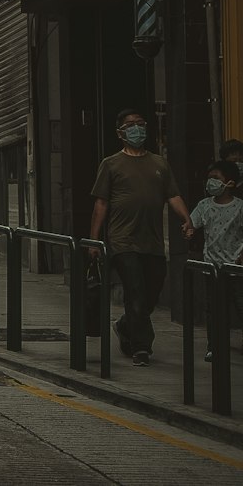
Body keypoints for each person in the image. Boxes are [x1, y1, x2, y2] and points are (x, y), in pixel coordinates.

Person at [89, 106, 194, 365]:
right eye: (131, 124)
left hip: (153, 242)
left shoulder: (159, 163)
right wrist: (93, 240)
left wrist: (186, 218)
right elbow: (101, 204)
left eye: (141, 123)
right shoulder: (111, 164)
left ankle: (125, 325)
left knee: (151, 294)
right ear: (120, 132)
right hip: (122, 241)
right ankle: (141, 347)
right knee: (135, 291)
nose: (137, 128)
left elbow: (173, 195)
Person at [189, 159, 243, 362]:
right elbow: (192, 223)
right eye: (209, 178)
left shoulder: (239, 207)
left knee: (240, 304)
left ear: (230, 182)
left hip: (235, 267)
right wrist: (188, 229)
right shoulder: (204, 206)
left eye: (216, 178)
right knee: (213, 310)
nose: (211, 182)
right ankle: (215, 346)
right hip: (211, 266)